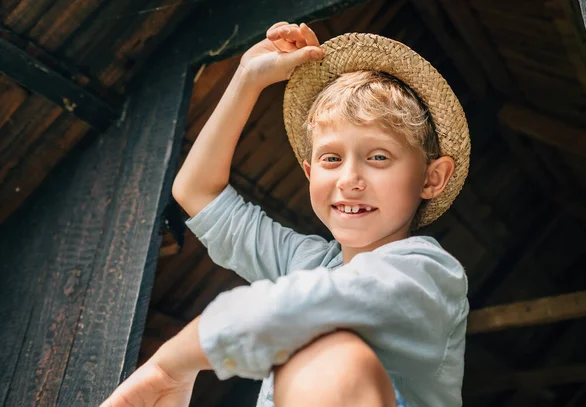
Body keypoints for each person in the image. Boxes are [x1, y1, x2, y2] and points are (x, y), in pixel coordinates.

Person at [101, 21, 470, 407]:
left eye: (378, 157)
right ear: (310, 172)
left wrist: (171, 364)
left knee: (330, 358)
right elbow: (196, 191)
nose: (349, 179)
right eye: (331, 158)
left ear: (432, 178)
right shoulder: (304, 262)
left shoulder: (430, 274)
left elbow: (311, 306)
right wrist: (247, 78)